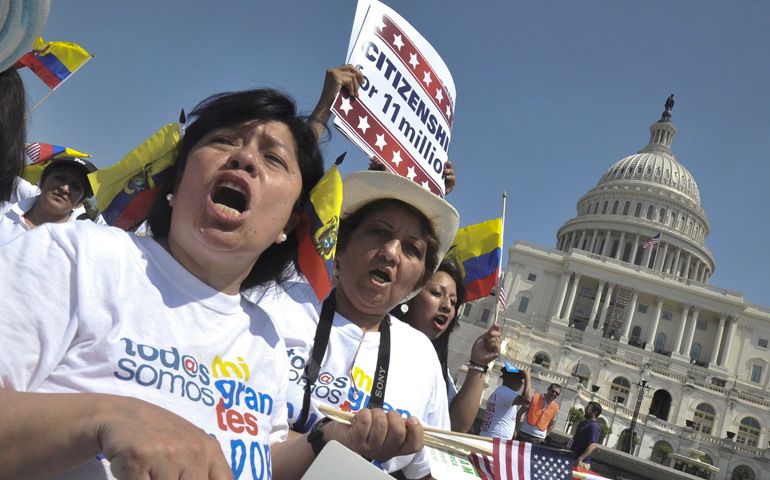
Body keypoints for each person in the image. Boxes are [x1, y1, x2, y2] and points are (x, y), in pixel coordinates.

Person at [0, 88, 420, 480]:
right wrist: (104, 418)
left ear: (288, 224)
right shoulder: (78, 255)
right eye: (223, 141)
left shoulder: (265, 335)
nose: (244, 160)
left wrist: (328, 440)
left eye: (274, 159)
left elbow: (254, 462)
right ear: (178, 182)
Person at [256, 169, 460, 479]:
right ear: (342, 244)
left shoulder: (421, 355)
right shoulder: (274, 303)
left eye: (411, 249)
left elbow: (433, 473)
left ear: (418, 280)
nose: (391, 253)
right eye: (379, 232)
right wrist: (329, 440)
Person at [396, 261, 501, 432]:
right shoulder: (373, 339)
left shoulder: (436, 368)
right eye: (437, 293)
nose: (447, 306)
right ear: (410, 294)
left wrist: (479, 364)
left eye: (453, 302)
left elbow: (454, 427)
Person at [0, 157, 96, 245]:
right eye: (60, 178)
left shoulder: (83, 242)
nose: (65, 188)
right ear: (42, 181)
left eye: (76, 186)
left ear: (81, 200)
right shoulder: (3, 213)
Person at [479, 362, 533, 439]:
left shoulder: (501, 391)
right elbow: (527, 399)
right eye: (520, 380)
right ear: (512, 379)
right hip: (496, 439)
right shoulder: (506, 393)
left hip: (491, 436)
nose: (521, 383)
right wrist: (528, 378)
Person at [569, 401, 602, 468]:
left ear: (595, 413)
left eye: (588, 409)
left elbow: (592, 445)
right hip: (572, 457)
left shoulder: (594, 427)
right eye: (586, 407)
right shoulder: (583, 423)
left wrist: (580, 458)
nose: (585, 410)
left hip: (581, 462)